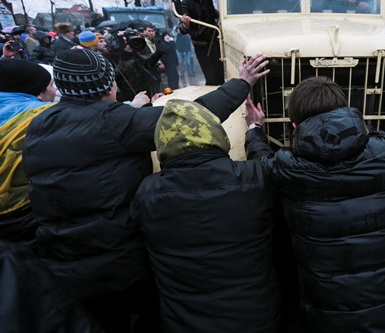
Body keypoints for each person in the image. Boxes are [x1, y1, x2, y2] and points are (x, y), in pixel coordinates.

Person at [22, 48, 270, 332]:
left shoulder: (39, 125)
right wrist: (242, 82)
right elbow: (189, 116)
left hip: (62, 264)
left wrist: (130, 112)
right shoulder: (115, 122)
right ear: (108, 85)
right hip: (120, 265)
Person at [245, 76, 385, 332]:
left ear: (294, 124)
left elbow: (262, 161)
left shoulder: (288, 169)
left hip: (328, 316)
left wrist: (255, 129)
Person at [131, 97, 281, 333]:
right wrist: (255, 130)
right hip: (255, 317)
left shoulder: (147, 195)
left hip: (183, 322)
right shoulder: (253, 178)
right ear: (215, 133)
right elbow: (268, 166)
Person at [0, 59, 56, 248]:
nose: (54, 91)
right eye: (50, 85)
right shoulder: (43, 117)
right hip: (23, 214)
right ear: (38, 92)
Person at [179, 0, 224, 85]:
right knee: (211, 78)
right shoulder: (185, 3)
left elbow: (214, 14)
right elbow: (182, 29)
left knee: (220, 76)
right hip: (201, 46)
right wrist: (186, 24)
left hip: (214, 41)